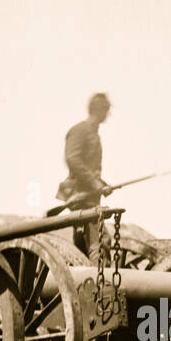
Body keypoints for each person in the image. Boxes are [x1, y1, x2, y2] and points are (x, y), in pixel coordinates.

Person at [56, 93, 112, 253]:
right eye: (106, 110)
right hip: (81, 196)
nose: (107, 115)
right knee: (100, 243)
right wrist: (95, 184)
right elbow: (72, 159)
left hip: (89, 197)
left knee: (83, 244)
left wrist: (102, 184)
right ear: (99, 110)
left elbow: (88, 169)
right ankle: (95, 277)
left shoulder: (93, 132)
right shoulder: (81, 130)